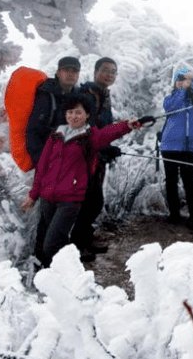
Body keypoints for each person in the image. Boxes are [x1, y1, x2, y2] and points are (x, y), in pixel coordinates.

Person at [21, 92, 143, 268]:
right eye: (70, 112)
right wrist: (33, 195)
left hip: (70, 200)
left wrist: (128, 125)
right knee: (59, 241)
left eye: (78, 112)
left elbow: (108, 133)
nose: (73, 116)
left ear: (87, 115)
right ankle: (69, 273)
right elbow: (42, 168)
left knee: (51, 244)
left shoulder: (89, 138)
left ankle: (49, 279)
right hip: (48, 198)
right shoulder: (55, 136)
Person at [72, 57, 119, 261]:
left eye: (113, 72)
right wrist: (103, 146)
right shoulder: (89, 94)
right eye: (106, 70)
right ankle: (76, 246)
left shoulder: (103, 94)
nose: (109, 74)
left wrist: (107, 147)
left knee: (94, 201)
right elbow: (87, 127)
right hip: (86, 156)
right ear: (95, 71)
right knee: (88, 201)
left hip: (98, 155)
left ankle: (85, 239)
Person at [158, 67, 193, 228]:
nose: (181, 83)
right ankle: (174, 214)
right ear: (175, 83)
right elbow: (172, 107)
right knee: (171, 181)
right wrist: (182, 89)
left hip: (189, 146)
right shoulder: (169, 98)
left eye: (184, 80)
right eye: (178, 80)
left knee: (189, 181)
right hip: (170, 145)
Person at [25, 56, 81, 169]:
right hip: (47, 160)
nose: (70, 74)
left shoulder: (79, 97)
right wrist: (43, 161)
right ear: (58, 73)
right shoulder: (45, 95)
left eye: (74, 71)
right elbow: (33, 132)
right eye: (66, 70)